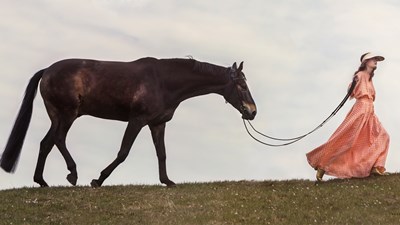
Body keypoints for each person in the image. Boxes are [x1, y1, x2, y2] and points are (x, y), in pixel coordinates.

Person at [306, 52, 390, 181]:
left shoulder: (369, 77)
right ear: (366, 62)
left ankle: (376, 167)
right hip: (361, 109)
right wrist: (354, 83)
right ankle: (322, 164)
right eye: (373, 59)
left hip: (370, 110)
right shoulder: (360, 75)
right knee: (346, 138)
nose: (376, 61)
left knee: (383, 135)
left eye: (376, 59)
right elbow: (352, 91)